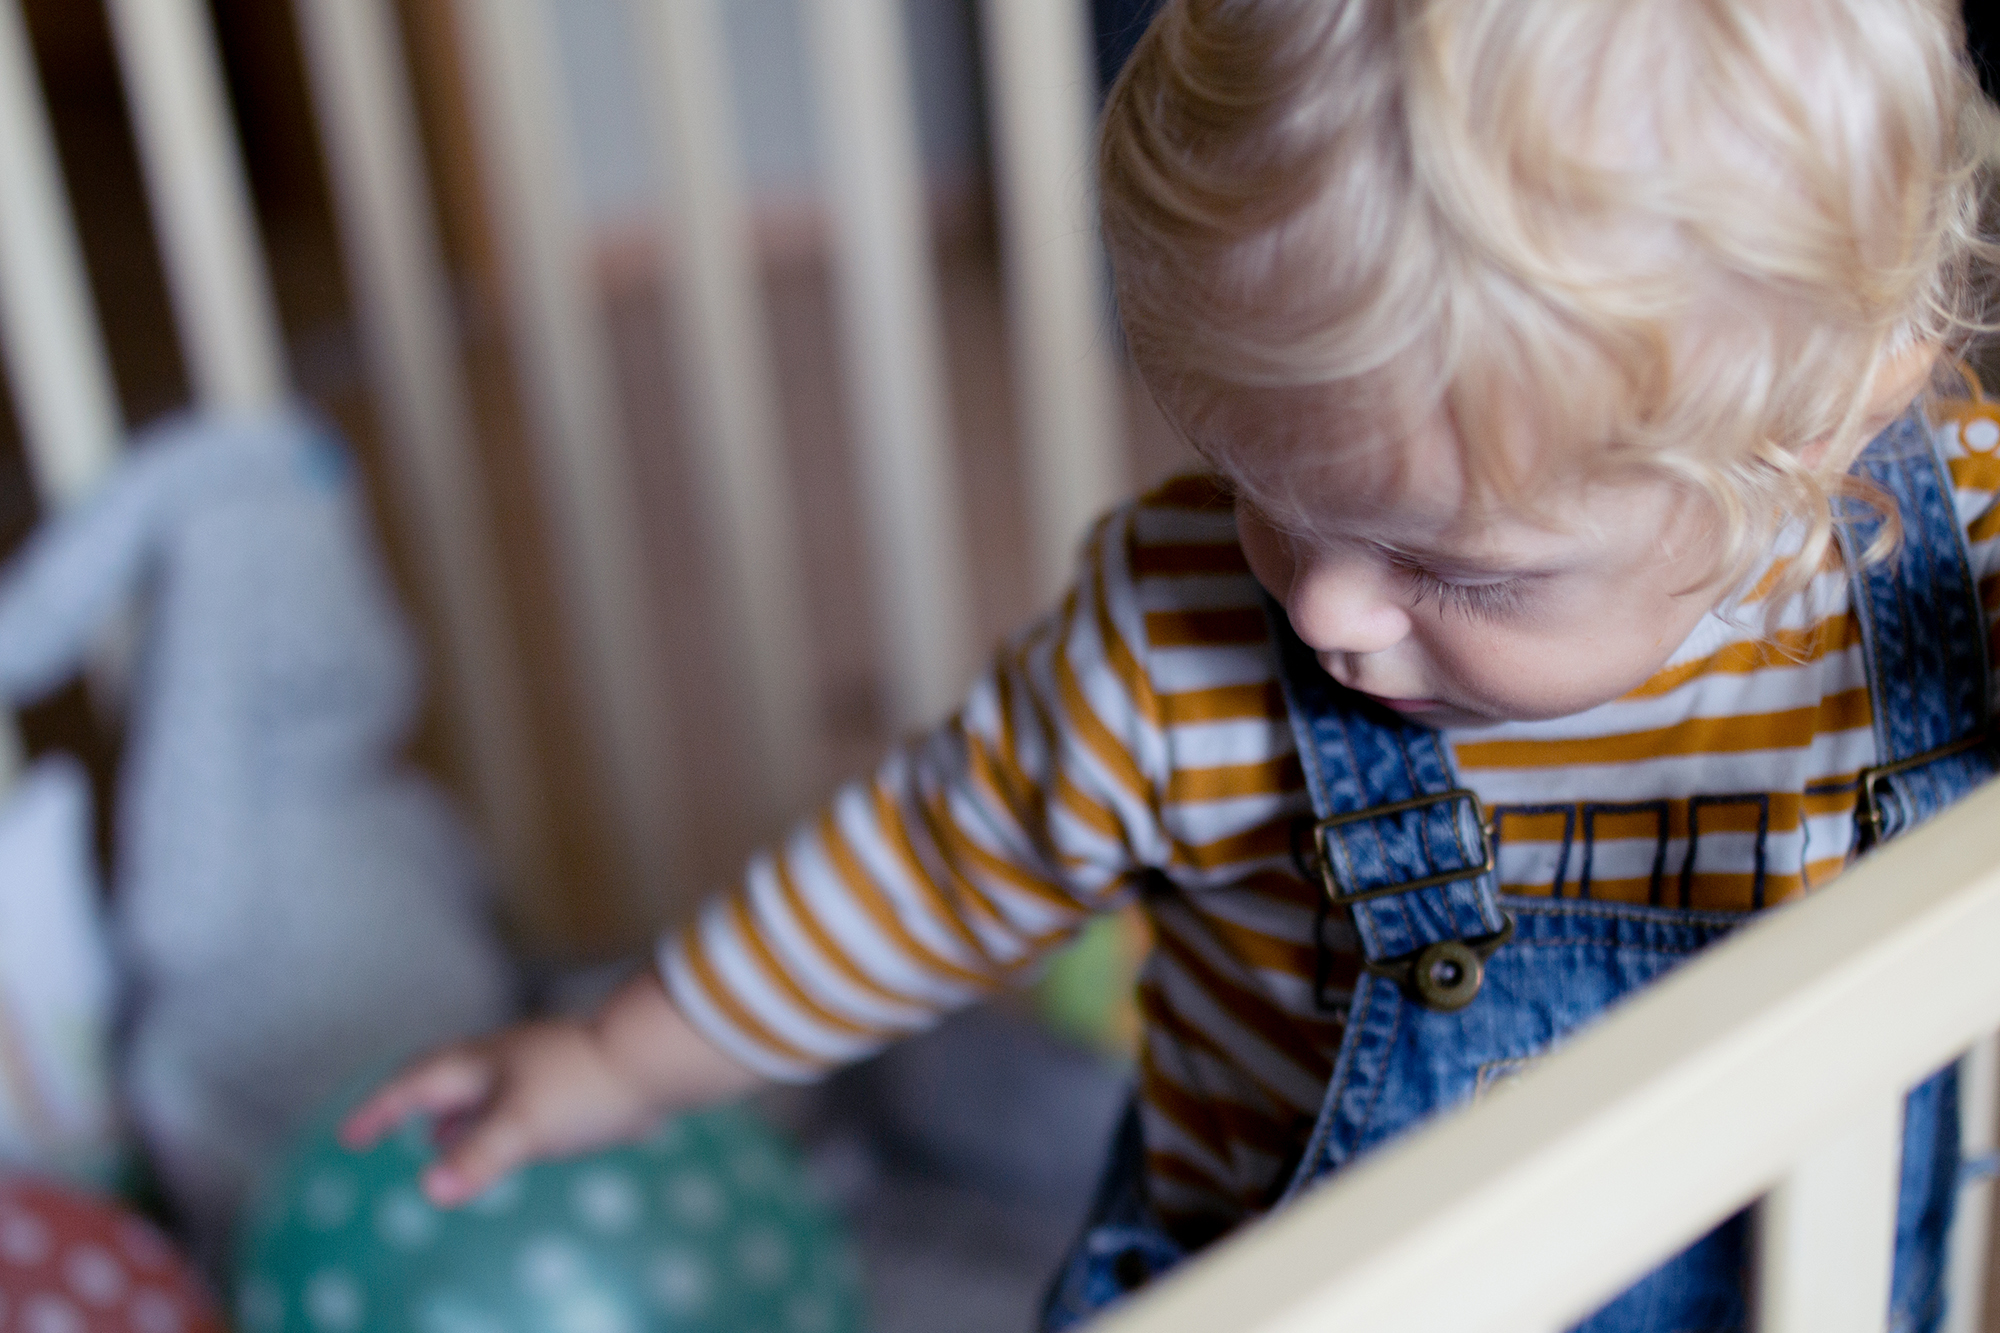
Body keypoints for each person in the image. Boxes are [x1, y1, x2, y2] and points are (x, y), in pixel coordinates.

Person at [343, 0, 2000, 1327]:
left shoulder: (1957, 555)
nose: (1329, 610)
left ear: (1820, 425)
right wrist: (616, 1056)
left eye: (1449, 566)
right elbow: (930, 863)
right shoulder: (1178, 651)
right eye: (1267, 490)